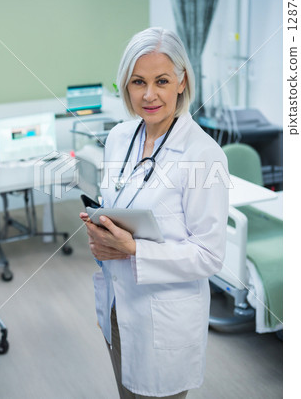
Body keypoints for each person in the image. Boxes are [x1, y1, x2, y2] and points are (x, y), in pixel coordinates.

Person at [80, 27, 229, 398]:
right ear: (124, 86)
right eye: (137, 82)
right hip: (117, 303)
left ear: (181, 82)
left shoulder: (203, 155)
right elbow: (117, 205)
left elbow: (209, 256)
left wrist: (133, 250)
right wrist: (102, 233)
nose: (149, 95)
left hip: (164, 318)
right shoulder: (119, 138)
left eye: (161, 81)